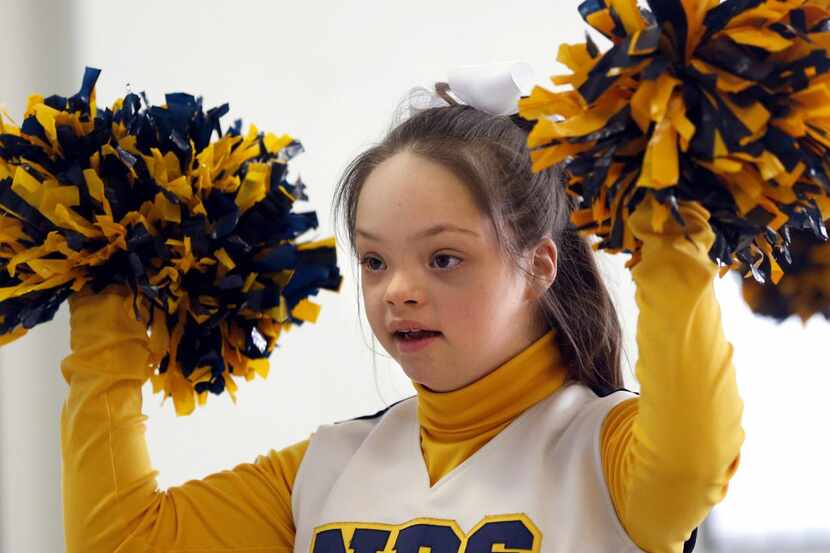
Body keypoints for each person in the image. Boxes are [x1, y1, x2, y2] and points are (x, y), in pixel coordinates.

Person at [60, 81, 744, 553]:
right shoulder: (327, 466)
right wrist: (108, 289)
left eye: (443, 258)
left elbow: (692, 461)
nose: (398, 292)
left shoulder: (607, 450)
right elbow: (122, 538)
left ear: (539, 265)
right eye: (375, 261)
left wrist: (671, 230)